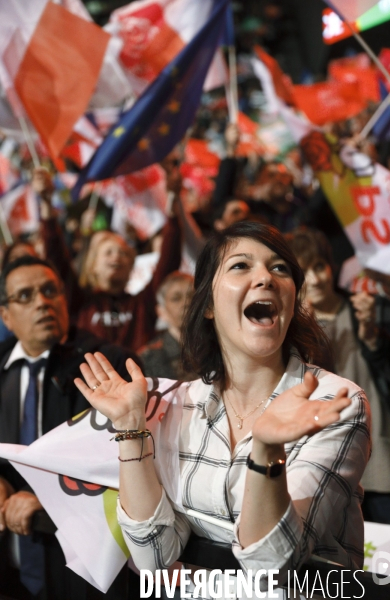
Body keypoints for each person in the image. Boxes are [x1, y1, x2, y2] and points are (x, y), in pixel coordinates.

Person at [75, 222, 371, 597]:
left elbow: (274, 567)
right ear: (210, 306)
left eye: (279, 268)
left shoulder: (334, 402)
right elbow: (153, 559)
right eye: (241, 266)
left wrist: (265, 451)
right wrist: (131, 428)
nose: (265, 277)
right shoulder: (179, 404)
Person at [0, 255, 140, 600]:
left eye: (50, 291)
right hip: (9, 571)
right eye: (26, 296)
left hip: (81, 573)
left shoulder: (108, 366)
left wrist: (49, 499)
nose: (42, 302)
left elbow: (124, 469)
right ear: (5, 315)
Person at [288, 227, 390, 526]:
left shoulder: (368, 308)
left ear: (331, 265)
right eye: (305, 271)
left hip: (381, 454)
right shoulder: (290, 330)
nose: (316, 279)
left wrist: (373, 338)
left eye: (319, 267)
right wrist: (303, 331)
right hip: (322, 454)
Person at [32, 167, 182, 352]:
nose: (117, 257)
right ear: (92, 265)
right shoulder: (78, 303)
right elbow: (56, 258)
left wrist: (172, 201)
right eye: (108, 252)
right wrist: (46, 202)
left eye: (124, 253)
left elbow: (168, 262)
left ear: (131, 268)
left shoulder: (143, 304)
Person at [138, 271, 195, 380]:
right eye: (176, 298)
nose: (186, 303)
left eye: (192, 295)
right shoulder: (148, 357)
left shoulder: (221, 345)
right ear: (161, 311)